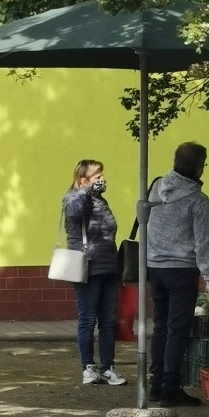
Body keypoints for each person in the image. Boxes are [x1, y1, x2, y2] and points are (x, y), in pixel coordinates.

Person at [147, 142, 209, 408]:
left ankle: (155, 385)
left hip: (155, 268)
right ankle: (170, 389)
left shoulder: (155, 187)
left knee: (161, 326)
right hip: (182, 271)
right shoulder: (198, 201)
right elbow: (204, 245)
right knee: (178, 329)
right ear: (199, 167)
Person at [62, 160, 127, 386]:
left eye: (102, 174)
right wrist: (84, 191)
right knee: (88, 319)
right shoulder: (73, 197)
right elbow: (73, 212)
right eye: (96, 175)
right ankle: (88, 368)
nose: (101, 179)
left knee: (108, 321)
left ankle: (108, 367)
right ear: (83, 179)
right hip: (87, 267)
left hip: (108, 267)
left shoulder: (101, 200)